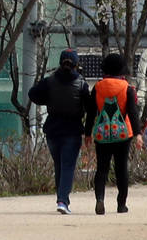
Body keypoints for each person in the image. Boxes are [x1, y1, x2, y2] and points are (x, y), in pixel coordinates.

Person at [28, 49, 89, 214]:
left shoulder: (49, 81)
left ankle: (61, 199)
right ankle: (63, 201)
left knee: (59, 166)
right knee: (68, 166)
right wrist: (88, 130)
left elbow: (32, 94)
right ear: (77, 65)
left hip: (52, 130)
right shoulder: (82, 84)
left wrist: (46, 99)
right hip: (72, 130)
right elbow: (90, 107)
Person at [84, 51, 145, 214]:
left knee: (102, 169)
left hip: (102, 134)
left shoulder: (97, 87)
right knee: (121, 169)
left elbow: (91, 112)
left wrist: (87, 133)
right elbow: (132, 112)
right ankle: (121, 204)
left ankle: (100, 199)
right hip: (123, 134)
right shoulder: (127, 88)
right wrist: (138, 134)